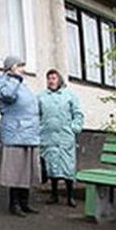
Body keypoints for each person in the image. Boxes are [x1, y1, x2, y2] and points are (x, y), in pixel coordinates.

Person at [0, 55, 41, 217]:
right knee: (16, 171)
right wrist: (14, 78)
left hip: (29, 132)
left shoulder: (20, 83)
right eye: (20, 65)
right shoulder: (5, 82)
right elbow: (7, 96)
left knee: (26, 170)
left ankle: (24, 203)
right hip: (16, 132)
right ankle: (14, 205)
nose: (23, 69)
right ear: (12, 67)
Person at [38, 69, 84, 207]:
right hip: (48, 136)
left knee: (68, 166)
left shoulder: (70, 95)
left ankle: (70, 196)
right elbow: (36, 115)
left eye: (54, 78)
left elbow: (78, 114)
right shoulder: (41, 97)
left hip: (65, 136)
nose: (51, 81)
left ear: (59, 80)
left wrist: (74, 128)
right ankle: (54, 194)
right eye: (49, 78)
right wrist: (39, 129)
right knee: (51, 166)